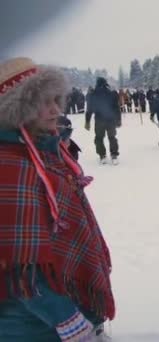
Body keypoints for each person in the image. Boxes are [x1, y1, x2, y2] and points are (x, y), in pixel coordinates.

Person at [0, 57, 115, 341]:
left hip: (63, 309)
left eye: (56, 99)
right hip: (34, 326)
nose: (56, 110)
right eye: (43, 103)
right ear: (18, 110)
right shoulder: (12, 166)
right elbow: (21, 267)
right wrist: (67, 319)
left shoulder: (45, 153)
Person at [85, 77, 121, 165]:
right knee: (112, 137)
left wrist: (87, 121)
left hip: (99, 120)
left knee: (99, 138)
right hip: (111, 119)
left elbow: (89, 109)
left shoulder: (93, 94)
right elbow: (116, 108)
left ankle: (102, 155)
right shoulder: (112, 93)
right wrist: (118, 120)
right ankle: (114, 155)